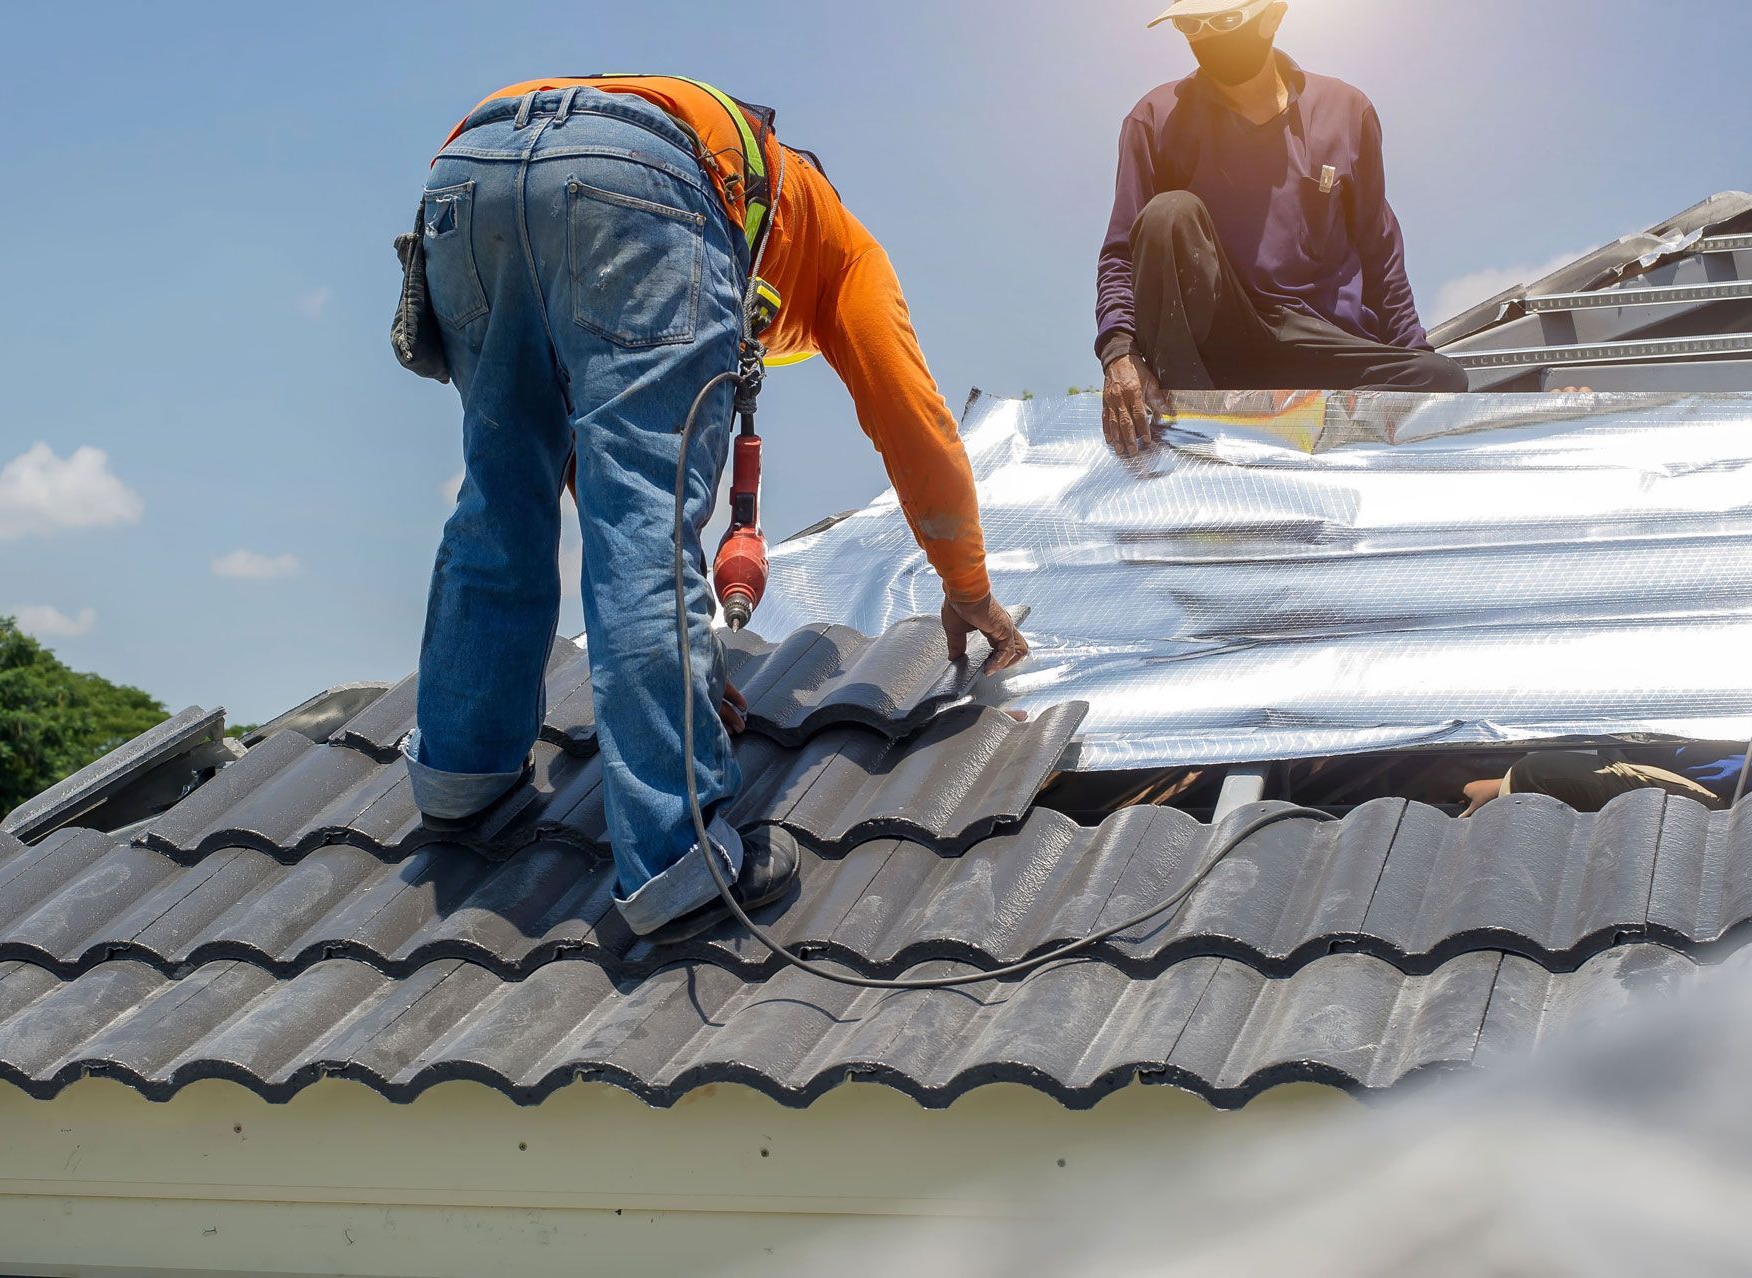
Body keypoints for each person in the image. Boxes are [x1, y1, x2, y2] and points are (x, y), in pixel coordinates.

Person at [404, 77, 1028, 943]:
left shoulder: (755, 187)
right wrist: (968, 584)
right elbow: (913, 422)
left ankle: (460, 782)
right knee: (646, 527)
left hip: (472, 167)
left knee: (502, 490)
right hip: (641, 180)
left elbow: (599, 464)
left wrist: (686, 668)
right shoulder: (845, 252)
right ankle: (679, 864)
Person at [1099, 0, 1469, 457]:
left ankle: (1312, 429)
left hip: (1321, 343)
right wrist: (1119, 352)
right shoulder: (1154, 118)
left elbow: (1380, 250)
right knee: (1167, 213)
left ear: (1273, 15)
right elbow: (1121, 252)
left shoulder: (1346, 111)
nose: (1210, 36)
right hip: (1218, 348)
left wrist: (1415, 357)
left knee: (1441, 379)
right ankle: (1193, 428)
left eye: (1228, 20)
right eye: (1193, 25)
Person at [1460, 744, 1752, 816]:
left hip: (1731, 804)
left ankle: (1497, 792)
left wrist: (1507, 785)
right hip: (1675, 762)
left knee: (1539, 772)